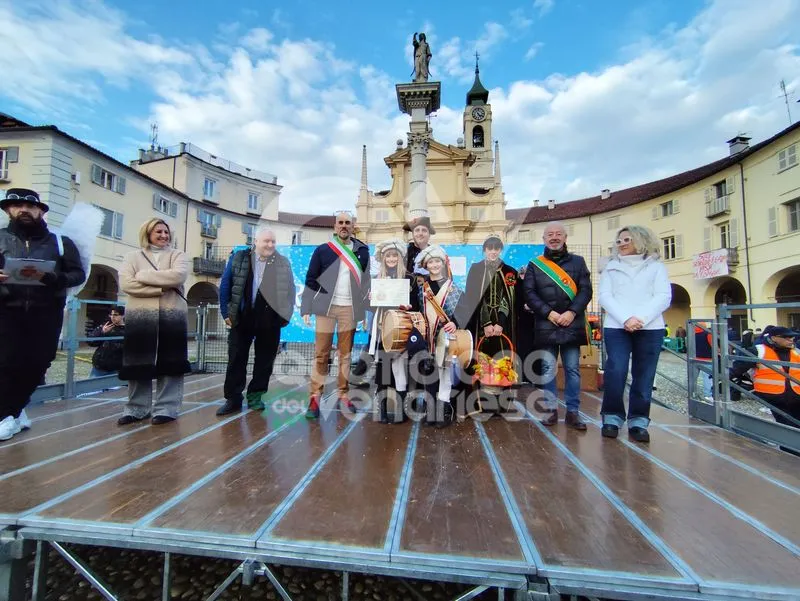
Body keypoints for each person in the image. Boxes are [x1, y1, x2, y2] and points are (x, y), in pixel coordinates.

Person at [0, 188, 86, 441]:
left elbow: (78, 274)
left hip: (46, 312)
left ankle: (16, 410)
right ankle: (6, 415)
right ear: (8, 210)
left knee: (39, 364)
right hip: (6, 309)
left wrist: (53, 278)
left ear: (40, 211)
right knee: (6, 364)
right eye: (17, 206)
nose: (23, 210)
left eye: (30, 206)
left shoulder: (60, 242)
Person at [598, 226, 671, 443]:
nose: (621, 244)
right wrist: (625, 319)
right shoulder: (611, 267)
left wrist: (641, 318)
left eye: (626, 239)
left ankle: (638, 421)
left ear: (641, 240)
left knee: (644, 374)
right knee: (616, 370)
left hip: (650, 327)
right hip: (617, 326)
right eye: (619, 241)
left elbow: (663, 296)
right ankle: (612, 417)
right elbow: (605, 296)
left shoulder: (656, 267)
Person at [117, 219, 190, 426]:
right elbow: (126, 284)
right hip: (140, 315)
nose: (164, 235)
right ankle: (137, 409)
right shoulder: (132, 257)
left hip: (171, 314)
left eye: (166, 232)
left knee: (171, 361)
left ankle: (167, 408)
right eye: (158, 231)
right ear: (147, 233)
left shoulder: (178, 255)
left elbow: (178, 276)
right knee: (138, 361)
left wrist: (143, 275)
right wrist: (159, 288)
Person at [216, 228, 295, 416]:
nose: (270, 245)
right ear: (256, 241)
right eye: (266, 241)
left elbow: (290, 291)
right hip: (242, 317)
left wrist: (285, 315)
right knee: (236, 358)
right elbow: (226, 285)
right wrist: (226, 313)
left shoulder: (282, 262)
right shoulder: (239, 258)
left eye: (273, 241)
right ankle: (233, 398)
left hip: (270, 320)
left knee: (265, 361)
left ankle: (255, 397)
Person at [523, 221, 592, 430]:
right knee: (547, 369)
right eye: (550, 234)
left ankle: (573, 412)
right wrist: (549, 313)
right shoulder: (535, 264)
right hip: (546, 324)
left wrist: (572, 312)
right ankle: (550, 410)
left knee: (572, 369)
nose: (554, 237)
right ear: (544, 239)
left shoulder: (578, 262)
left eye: (558, 234)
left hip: (572, 323)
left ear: (565, 237)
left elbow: (586, 290)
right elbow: (529, 293)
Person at [302, 211, 371, 418]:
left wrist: (365, 311)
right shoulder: (323, 250)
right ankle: (315, 397)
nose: (343, 226)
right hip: (325, 308)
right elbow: (311, 278)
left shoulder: (362, 251)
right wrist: (306, 307)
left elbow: (366, 283)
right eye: (340, 222)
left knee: (345, 355)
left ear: (353, 226)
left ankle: (343, 395)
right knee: (321, 354)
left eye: (347, 222)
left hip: (349, 309)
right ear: (335, 226)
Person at [459, 235, 518, 412]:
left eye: (496, 248)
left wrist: (500, 323)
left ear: (500, 250)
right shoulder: (476, 269)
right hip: (481, 324)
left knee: (502, 360)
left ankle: (501, 403)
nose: (493, 252)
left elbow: (509, 299)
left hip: (502, 326)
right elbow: (473, 297)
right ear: (484, 250)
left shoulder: (509, 271)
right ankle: (481, 402)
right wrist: (486, 323)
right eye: (489, 248)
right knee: (481, 361)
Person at [411, 245, 465, 427]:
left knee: (445, 373)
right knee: (429, 372)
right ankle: (431, 410)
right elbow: (417, 312)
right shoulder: (422, 289)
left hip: (446, 337)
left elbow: (464, 311)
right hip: (426, 336)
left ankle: (443, 411)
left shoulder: (453, 288)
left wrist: (455, 323)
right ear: (426, 266)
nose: (434, 265)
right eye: (430, 262)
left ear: (443, 264)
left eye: (437, 261)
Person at [730, 326, 800, 455]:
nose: (791, 339)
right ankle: (791, 456)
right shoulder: (758, 350)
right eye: (786, 337)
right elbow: (737, 368)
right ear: (774, 338)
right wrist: (725, 378)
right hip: (773, 397)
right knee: (788, 427)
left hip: (796, 396)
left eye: (792, 337)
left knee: (795, 425)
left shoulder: (796, 351)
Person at [370, 238, 413, 423]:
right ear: (383, 259)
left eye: (394, 255)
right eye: (388, 256)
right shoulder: (376, 279)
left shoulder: (409, 278)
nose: (391, 259)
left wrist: (409, 306)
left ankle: (401, 411)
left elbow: (416, 304)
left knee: (400, 369)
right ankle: (382, 410)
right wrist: (370, 298)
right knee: (383, 369)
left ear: (400, 257)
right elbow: (371, 307)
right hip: (383, 328)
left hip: (402, 327)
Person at [88, 305, 126, 377]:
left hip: (116, 369)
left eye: (115, 315)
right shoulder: (105, 326)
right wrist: (102, 332)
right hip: (99, 367)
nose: (112, 317)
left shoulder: (127, 330)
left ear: (123, 316)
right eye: (111, 314)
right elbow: (90, 342)